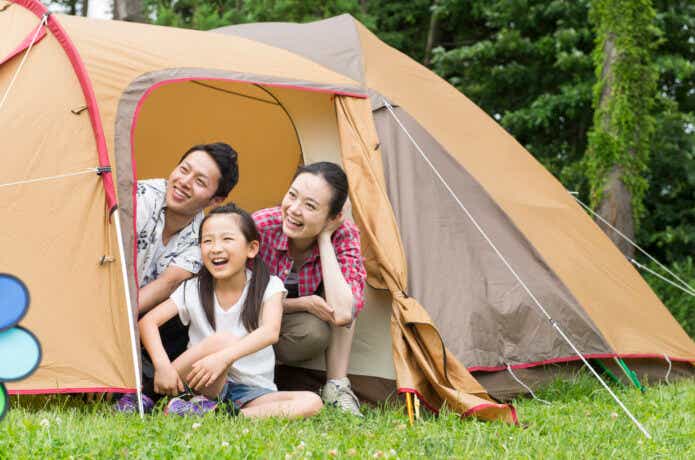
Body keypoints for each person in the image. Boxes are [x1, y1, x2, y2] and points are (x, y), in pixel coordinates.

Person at [139, 204, 322, 418]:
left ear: (251, 248)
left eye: (227, 239)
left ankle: (223, 416)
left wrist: (224, 358)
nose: (216, 248)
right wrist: (162, 366)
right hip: (203, 382)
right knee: (221, 340)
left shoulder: (269, 286)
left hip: (251, 390)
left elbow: (270, 332)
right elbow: (148, 322)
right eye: (208, 241)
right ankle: (149, 396)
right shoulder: (193, 288)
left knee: (312, 402)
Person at [116, 142, 239, 413]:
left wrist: (121, 317)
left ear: (215, 200)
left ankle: (148, 390)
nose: (184, 182)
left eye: (199, 181)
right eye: (183, 170)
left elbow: (167, 283)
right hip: (106, 294)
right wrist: (112, 319)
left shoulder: (202, 235)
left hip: (139, 309)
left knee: (183, 310)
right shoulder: (141, 198)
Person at [253, 162, 367, 416]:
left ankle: (336, 387)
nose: (294, 210)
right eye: (292, 195)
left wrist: (325, 238)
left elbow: (343, 312)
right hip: (249, 321)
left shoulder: (343, 234)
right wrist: (303, 303)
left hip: (290, 330)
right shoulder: (261, 227)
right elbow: (234, 298)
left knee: (343, 296)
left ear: (333, 218)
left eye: (310, 206)